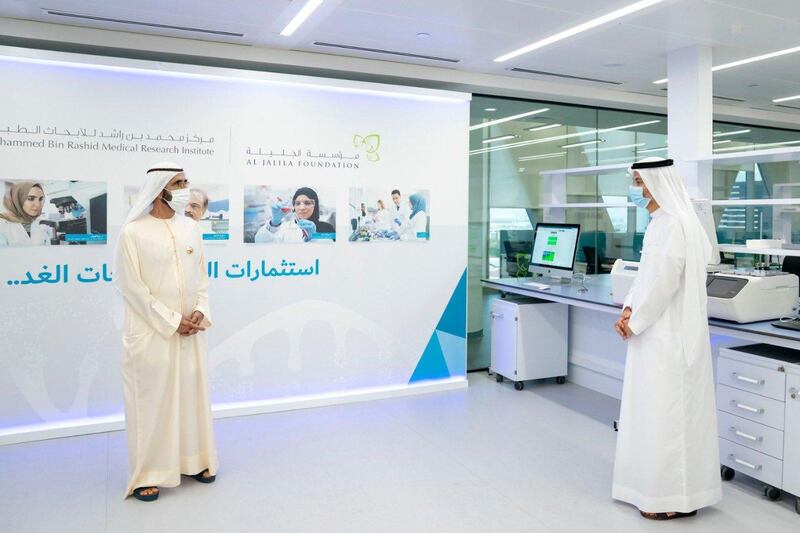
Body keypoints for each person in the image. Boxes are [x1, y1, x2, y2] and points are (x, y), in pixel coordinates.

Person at [612, 157, 721, 520]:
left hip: (667, 337)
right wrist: (629, 308)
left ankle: (670, 499)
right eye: (637, 182)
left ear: (659, 183)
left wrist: (635, 320)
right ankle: (654, 490)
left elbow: (663, 284)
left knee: (667, 417)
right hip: (654, 332)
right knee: (655, 414)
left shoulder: (675, 225)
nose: (639, 189)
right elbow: (645, 277)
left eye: (642, 182)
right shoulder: (662, 224)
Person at [115, 162, 218, 502]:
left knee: (191, 396)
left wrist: (199, 310)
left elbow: (201, 277)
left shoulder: (191, 228)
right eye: (180, 182)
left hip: (191, 330)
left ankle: (194, 460)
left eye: (187, 180)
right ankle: (148, 472)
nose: (186, 187)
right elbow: (133, 289)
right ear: (161, 189)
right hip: (152, 332)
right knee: (153, 403)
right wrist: (173, 320)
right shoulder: (133, 232)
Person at [254, 186, 335, 243]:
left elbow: (332, 253)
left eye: (307, 203)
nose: (302, 207)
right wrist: (273, 224)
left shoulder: (328, 228)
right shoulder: (284, 228)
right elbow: (259, 242)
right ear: (294, 207)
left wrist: (314, 237)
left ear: (315, 205)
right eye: (297, 203)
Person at [0, 181, 53, 246]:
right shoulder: (2, 225)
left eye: (40, 199)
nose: (38, 204)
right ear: (17, 199)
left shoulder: (42, 223)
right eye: (30, 198)